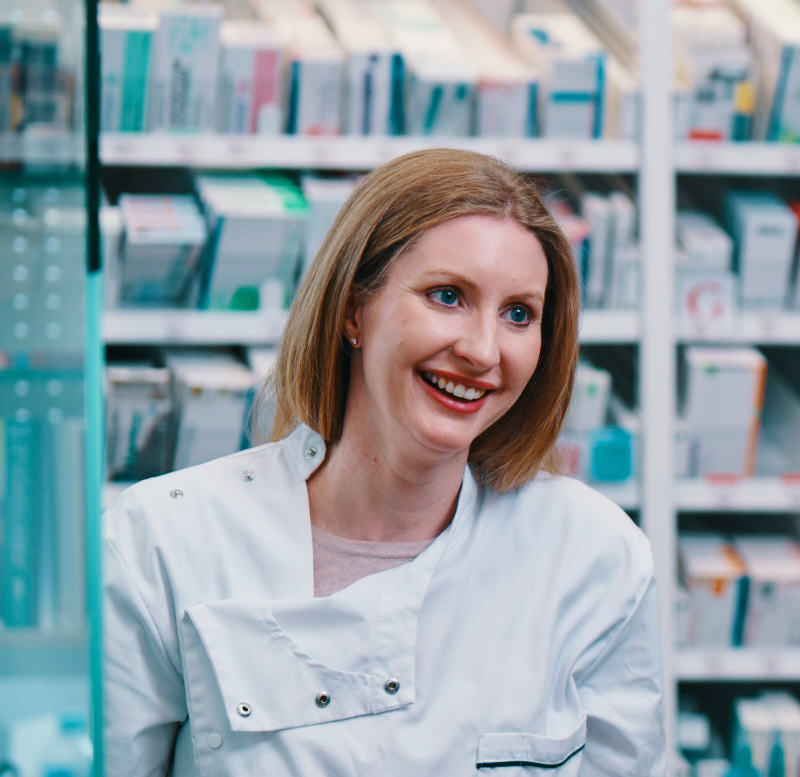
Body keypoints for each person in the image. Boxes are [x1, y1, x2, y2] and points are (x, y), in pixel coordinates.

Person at [104, 150, 664, 775]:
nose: (483, 351)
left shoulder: (594, 557)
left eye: (518, 314)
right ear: (352, 309)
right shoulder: (163, 540)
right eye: (447, 296)